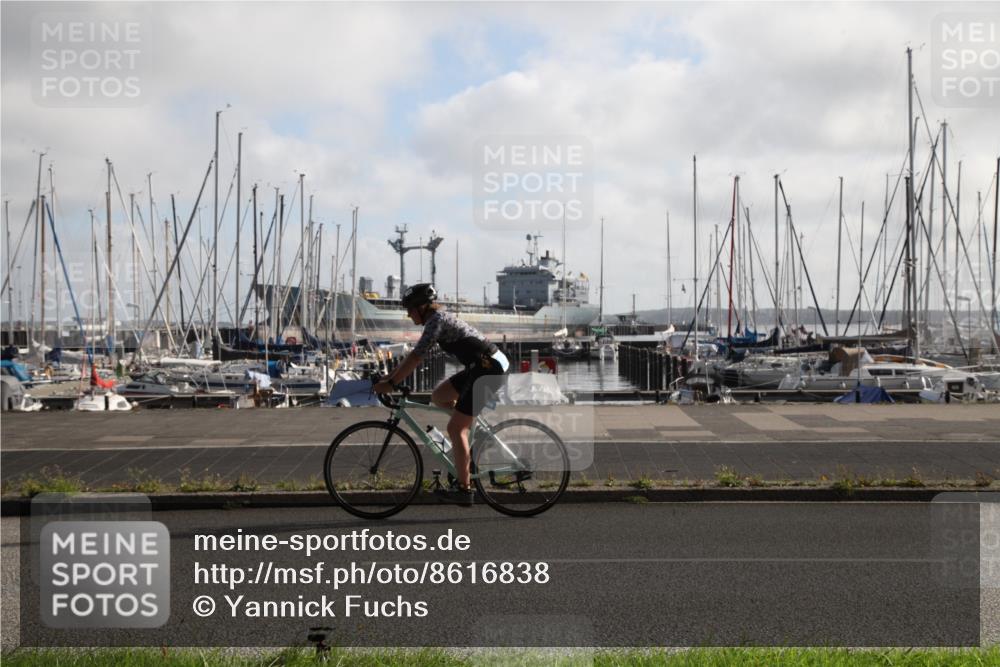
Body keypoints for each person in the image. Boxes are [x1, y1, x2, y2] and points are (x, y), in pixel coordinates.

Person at [373, 283, 509, 506]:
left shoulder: (436, 320)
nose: (408, 314)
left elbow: (416, 357)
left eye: (410, 309)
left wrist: (392, 383)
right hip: (480, 366)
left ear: (422, 307)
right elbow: (413, 357)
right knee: (439, 397)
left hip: (489, 369)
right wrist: (389, 379)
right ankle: (474, 434)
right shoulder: (434, 318)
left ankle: (465, 490)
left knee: (455, 428)